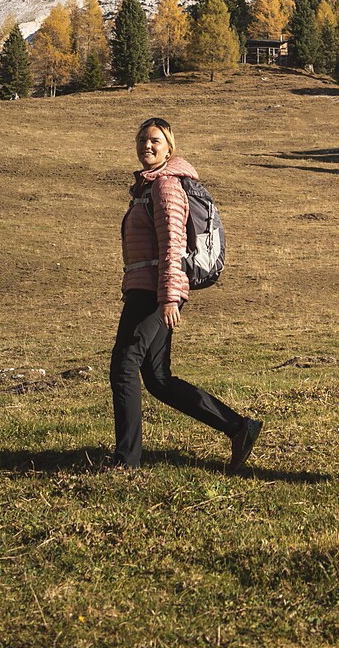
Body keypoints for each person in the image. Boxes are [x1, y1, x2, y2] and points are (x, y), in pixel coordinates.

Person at [108, 116, 263, 471]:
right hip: (147, 289)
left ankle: (126, 460)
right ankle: (239, 427)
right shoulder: (147, 187)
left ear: (169, 148)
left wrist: (168, 296)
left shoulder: (165, 187)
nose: (147, 146)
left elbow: (173, 245)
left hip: (155, 293)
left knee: (124, 367)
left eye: (155, 141)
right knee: (158, 379)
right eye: (142, 139)